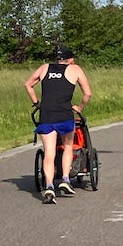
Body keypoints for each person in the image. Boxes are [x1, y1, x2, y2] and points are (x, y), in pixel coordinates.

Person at [25, 46, 92, 202]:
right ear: (70, 60)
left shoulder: (44, 68)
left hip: (46, 114)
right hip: (64, 114)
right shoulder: (75, 69)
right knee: (68, 146)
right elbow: (87, 93)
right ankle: (66, 179)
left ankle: (49, 186)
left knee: (49, 152)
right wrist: (79, 107)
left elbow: (28, 84)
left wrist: (36, 103)